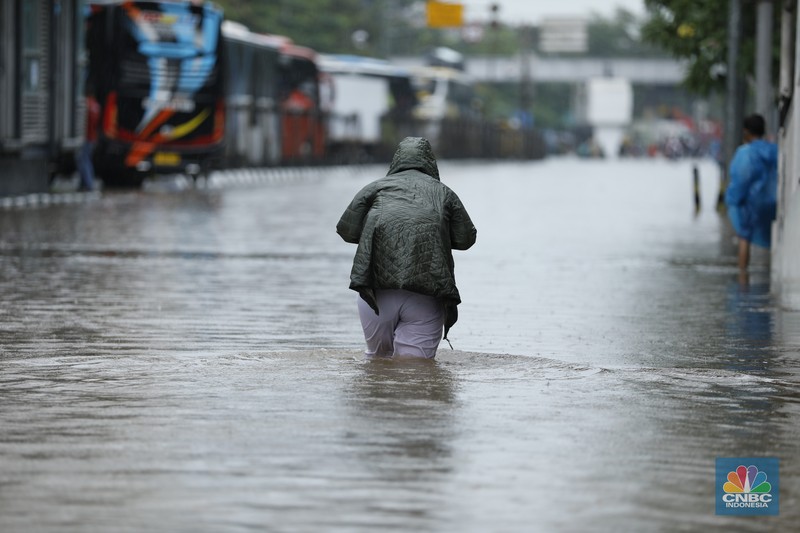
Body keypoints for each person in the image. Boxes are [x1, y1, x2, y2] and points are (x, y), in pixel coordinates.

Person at [336, 137, 477, 359]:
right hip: (427, 294)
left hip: (375, 294)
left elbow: (346, 231)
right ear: (431, 163)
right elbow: (466, 239)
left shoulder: (374, 188)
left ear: (396, 161)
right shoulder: (444, 193)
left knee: (377, 365)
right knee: (415, 374)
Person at [725, 113, 778, 275]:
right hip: (775, 202)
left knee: (744, 237)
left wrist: (732, 200)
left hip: (752, 203)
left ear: (746, 132)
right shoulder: (775, 149)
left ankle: (743, 277)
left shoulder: (745, 152)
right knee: (774, 238)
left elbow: (741, 179)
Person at [76, 93, 100, 191]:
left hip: (85, 137)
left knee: (83, 160)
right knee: (86, 160)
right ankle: (83, 184)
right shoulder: (96, 106)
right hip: (92, 137)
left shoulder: (86, 104)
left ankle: (89, 184)